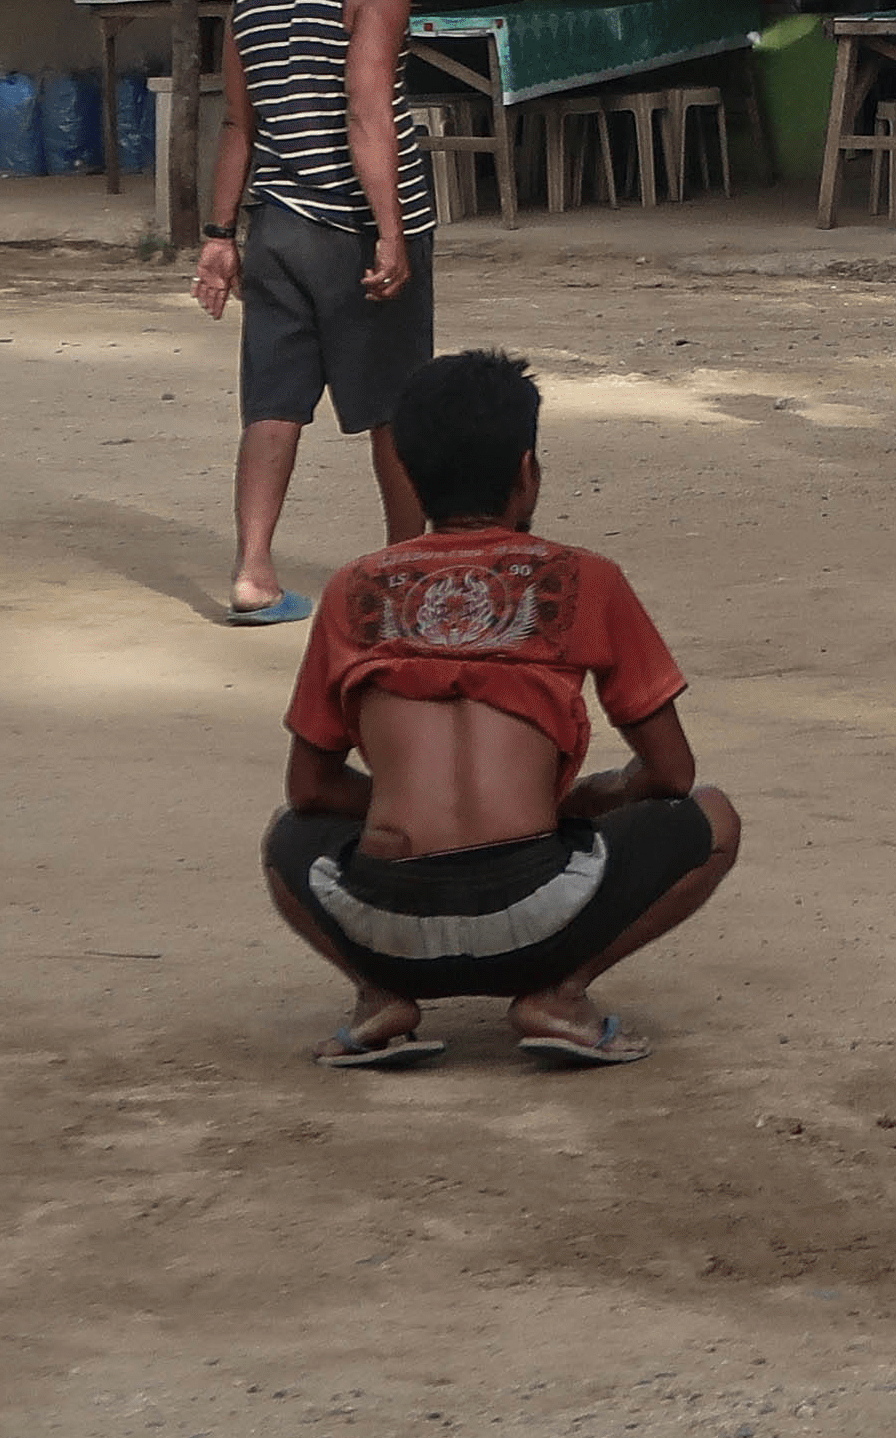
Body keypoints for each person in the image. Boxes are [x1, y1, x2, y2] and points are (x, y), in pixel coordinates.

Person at [261, 348, 740, 1069]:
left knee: (285, 838)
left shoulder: (351, 588)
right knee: (713, 818)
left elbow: (310, 791)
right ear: (527, 472)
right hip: (541, 913)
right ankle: (561, 994)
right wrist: (577, 802)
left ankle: (378, 996)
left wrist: (401, 812)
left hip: (384, 918)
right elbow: (672, 775)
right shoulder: (587, 578)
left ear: (410, 478)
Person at [193, 0, 432, 627]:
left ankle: (253, 575)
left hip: (276, 231)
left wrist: (219, 235)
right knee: (395, 406)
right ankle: (405, 579)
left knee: (273, 403)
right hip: (351, 231)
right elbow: (369, 111)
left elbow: (237, 126)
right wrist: (391, 233)